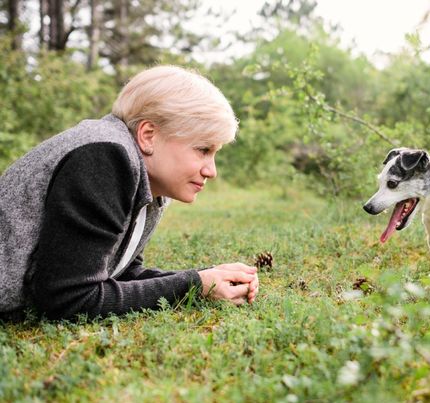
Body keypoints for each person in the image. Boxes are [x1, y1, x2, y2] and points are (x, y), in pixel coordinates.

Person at [0, 65, 259, 321]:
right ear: (148, 135)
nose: (211, 171)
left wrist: (208, 278)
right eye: (203, 150)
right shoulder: (104, 158)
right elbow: (68, 298)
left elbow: (119, 272)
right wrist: (194, 285)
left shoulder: (149, 180)